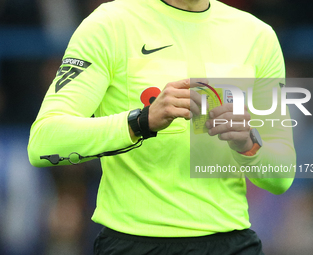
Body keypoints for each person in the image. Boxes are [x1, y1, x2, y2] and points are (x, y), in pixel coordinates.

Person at [28, 0, 296, 254]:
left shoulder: (258, 36)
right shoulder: (109, 25)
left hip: (231, 241)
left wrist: (248, 144)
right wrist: (140, 122)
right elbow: (44, 142)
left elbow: (281, 175)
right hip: (133, 242)